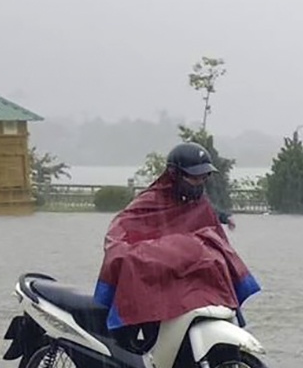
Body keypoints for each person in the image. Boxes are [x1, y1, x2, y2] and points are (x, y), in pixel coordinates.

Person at [95, 141, 260, 350]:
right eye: (194, 177)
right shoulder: (149, 202)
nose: (199, 183)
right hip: (157, 280)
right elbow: (120, 235)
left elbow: (213, 233)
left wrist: (223, 219)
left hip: (187, 286)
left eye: (204, 178)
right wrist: (154, 253)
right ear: (174, 175)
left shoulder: (199, 204)